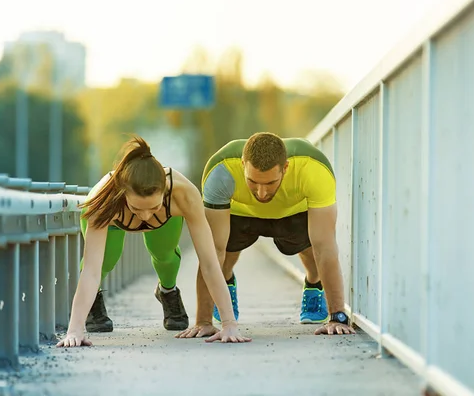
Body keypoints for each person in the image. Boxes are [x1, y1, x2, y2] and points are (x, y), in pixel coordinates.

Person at [57, 136, 251, 347]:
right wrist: (74, 330)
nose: (145, 216)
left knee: (165, 256)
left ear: (165, 191)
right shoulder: (104, 199)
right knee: (106, 260)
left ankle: (167, 291)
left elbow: (210, 263)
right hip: (113, 217)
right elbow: (91, 271)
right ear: (123, 193)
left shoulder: (184, 195)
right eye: (137, 208)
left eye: (153, 207)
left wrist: (229, 324)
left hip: (166, 220)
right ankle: (93, 304)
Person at [176, 132, 356, 340]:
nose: (261, 193)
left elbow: (325, 246)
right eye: (252, 182)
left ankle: (314, 285)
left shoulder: (314, 168)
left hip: (291, 212)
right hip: (240, 212)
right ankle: (226, 286)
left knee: (312, 253)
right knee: (224, 253)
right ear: (243, 164)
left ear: (285, 167)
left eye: (270, 183)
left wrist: (337, 317)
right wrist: (203, 321)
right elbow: (212, 251)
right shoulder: (221, 170)